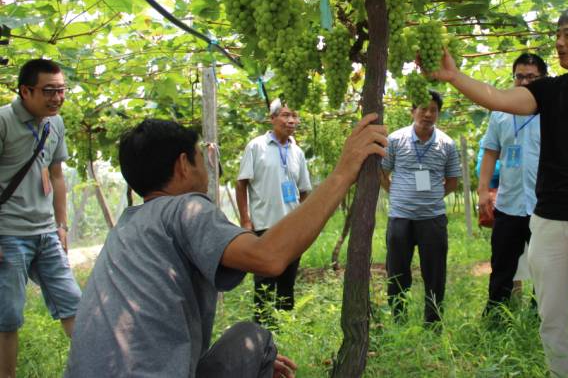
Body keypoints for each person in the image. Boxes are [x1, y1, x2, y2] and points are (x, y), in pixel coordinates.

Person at [64, 114, 387, 377]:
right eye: (201, 157)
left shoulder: (126, 226)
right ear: (182, 165)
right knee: (253, 336)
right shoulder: (185, 207)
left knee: (247, 351)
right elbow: (270, 257)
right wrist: (345, 171)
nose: (208, 165)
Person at [431, 2, 568, 378]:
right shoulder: (548, 91)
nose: (559, 43)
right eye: (558, 34)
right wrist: (455, 77)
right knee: (552, 319)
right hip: (547, 221)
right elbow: (498, 98)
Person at [0, 59, 81, 378]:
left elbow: (57, 176)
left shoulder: (55, 123)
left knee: (75, 304)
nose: (57, 98)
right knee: (7, 317)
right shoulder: (4, 121)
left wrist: (61, 225)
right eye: (49, 91)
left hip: (46, 232)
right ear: (25, 91)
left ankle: (94, 369)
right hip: (8, 234)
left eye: (61, 90)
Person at [380, 90, 461, 324]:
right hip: (400, 217)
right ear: (412, 110)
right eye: (423, 108)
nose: (427, 114)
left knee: (435, 274)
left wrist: (433, 197)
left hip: (432, 218)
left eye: (433, 110)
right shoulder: (395, 139)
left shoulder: (447, 144)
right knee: (397, 272)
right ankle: (399, 319)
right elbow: (382, 173)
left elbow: (453, 181)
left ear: (438, 114)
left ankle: (433, 322)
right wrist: (397, 194)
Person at [477, 52, 546, 317]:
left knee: (546, 266)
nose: (525, 82)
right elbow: (490, 151)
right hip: (509, 202)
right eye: (520, 76)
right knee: (502, 263)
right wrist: (483, 191)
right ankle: (496, 315)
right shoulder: (500, 113)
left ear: (542, 79)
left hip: (543, 205)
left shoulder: (550, 111)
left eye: (531, 77)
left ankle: (542, 315)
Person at [236, 100, 311, 323]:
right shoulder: (256, 146)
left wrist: (302, 221)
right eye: (286, 115)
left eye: (295, 116)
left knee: (287, 283)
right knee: (264, 282)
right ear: (272, 118)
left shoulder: (297, 151)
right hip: (264, 226)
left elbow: (304, 190)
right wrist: (246, 221)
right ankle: (263, 331)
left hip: (292, 228)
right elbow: (241, 184)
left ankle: (285, 330)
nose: (291, 121)